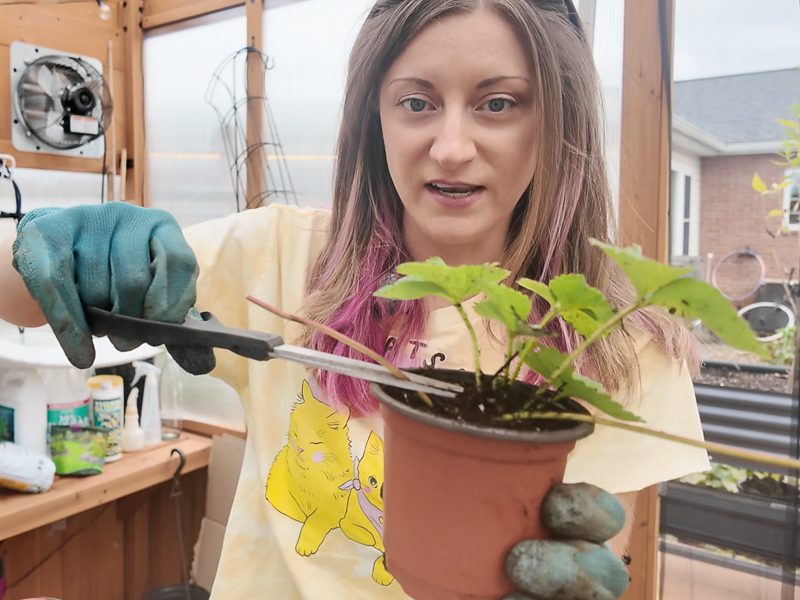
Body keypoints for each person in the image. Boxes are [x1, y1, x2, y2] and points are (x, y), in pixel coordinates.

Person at [0, 1, 710, 598]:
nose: (452, 146)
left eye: (499, 103)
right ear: (376, 116)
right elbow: (23, 296)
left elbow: (593, 552)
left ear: (558, 120)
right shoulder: (284, 260)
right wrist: (55, 244)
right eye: (416, 102)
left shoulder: (616, 338)